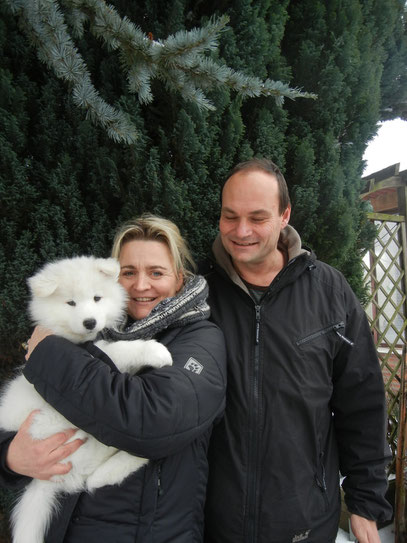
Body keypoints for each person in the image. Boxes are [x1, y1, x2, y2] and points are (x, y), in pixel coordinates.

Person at [0, 214, 227, 542]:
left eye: (156, 273)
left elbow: (152, 421)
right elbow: (33, 412)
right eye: (129, 272)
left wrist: (48, 354)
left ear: (179, 278)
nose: (140, 285)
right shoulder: (90, 329)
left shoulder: (200, 342)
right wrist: (10, 457)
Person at [203, 158, 392, 543]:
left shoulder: (330, 292)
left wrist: (365, 501)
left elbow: (363, 401)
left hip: (303, 521)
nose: (241, 231)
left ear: (284, 214)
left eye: (258, 218)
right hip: (210, 521)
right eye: (230, 216)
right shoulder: (198, 296)